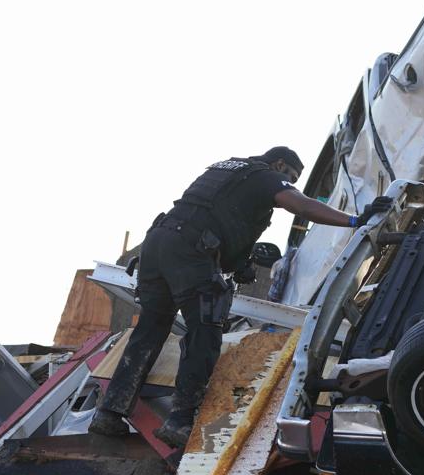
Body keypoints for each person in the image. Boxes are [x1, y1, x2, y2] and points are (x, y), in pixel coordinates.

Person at [89, 146, 393, 446]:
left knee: (150, 330)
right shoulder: (263, 175)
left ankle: (109, 412)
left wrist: (240, 263)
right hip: (189, 249)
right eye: (291, 176)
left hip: (157, 244)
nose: (292, 182)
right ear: (278, 165)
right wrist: (356, 220)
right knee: (205, 331)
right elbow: (299, 204)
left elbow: (219, 215)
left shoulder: (226, 169)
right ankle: (179, 420)